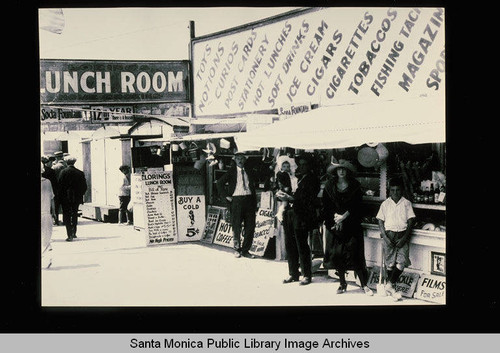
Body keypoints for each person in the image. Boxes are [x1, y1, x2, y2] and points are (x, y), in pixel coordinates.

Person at [322, 160, 373, 296]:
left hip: (352, 224)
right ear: (335, 171)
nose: (341, 171)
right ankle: (342, 284)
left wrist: (344, 217)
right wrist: (336, 218)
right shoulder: (329, 186)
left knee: (355, 254)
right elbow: (326, 206)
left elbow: (357, 206)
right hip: (335, 225)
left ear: (348, 171)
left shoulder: (355, 185)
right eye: (339, 169)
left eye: (344, 169)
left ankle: (364, 284)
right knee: (338, 255)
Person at [280, 153, 320, 285]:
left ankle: (306, 274)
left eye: (304, 165)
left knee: (301, 244)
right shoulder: (298, 178)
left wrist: (292, 198)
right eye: (300, 165)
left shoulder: (313, 179)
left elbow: (309, 199)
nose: (301, 167)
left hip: (302, 216)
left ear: (309, 166)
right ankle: (293, 273)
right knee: (290, 244)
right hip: (290, 213)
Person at [376, 177, 416, 300]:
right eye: (392, 190)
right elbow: (380, 221)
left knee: (401, 262)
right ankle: (392, 289)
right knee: (390, 263)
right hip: (389, 234)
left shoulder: (406, 203)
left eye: (398, 190)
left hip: (402, 234)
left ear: (402, 190)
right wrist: (385, 237)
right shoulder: (385, 204)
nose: (395, 192)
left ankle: (389, 284)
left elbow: (411, 221)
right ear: (389, 191)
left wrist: (405, 238)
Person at [216, 151, 257, 258]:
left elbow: (253, 183)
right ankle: (237, 249)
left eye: (242, 158)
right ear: (235, 160)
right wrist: (226, 196)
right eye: (238, 158)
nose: (240, 160)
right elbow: (219, 183)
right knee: (236, 226)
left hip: (249, 200)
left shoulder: (249, 170)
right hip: (237, 201)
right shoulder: (231, 171)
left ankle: (246, 250)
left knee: (250, 227)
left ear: (245, 160)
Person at [58, 155, 88, 241]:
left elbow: (60, 186)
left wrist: (60, 198)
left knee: (67, 215)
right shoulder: (80, 173)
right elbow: (84, 187)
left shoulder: (63, 172)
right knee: (75, 214)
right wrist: (80, 194)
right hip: (76, 197)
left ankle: (69, 234)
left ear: (66, 162)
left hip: (65, 197)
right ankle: (74, 232)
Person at [41, 162, 55, 269]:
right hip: (46, 214)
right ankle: (45, 260)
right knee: (46, 238)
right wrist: (54, 212)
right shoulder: (48, 182)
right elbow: (52, 199)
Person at [51, 151, 67, 225]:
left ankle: (56, 220)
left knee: (56, 205)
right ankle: (65, 220)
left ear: (56, 157)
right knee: (65, 206)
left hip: (56, 188)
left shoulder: (54, 167)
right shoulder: (66, 166)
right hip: (64, 188)